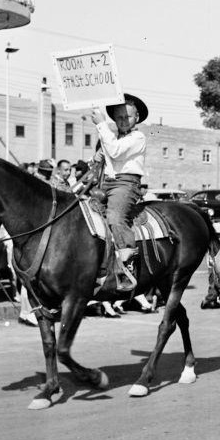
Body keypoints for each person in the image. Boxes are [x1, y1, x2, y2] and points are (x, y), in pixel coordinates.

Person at [91, 93, 149, 292]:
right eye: (119, 117)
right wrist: (97, 156)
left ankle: (128, 266)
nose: (123, 121)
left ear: (137, 118)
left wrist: (101, 125)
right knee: (88, 216)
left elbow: (115, 151)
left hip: (126, 183)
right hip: (106, 182)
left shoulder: (138, 137)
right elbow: (104, 157)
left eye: (128, 117)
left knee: (115, 218)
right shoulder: (111, 137)